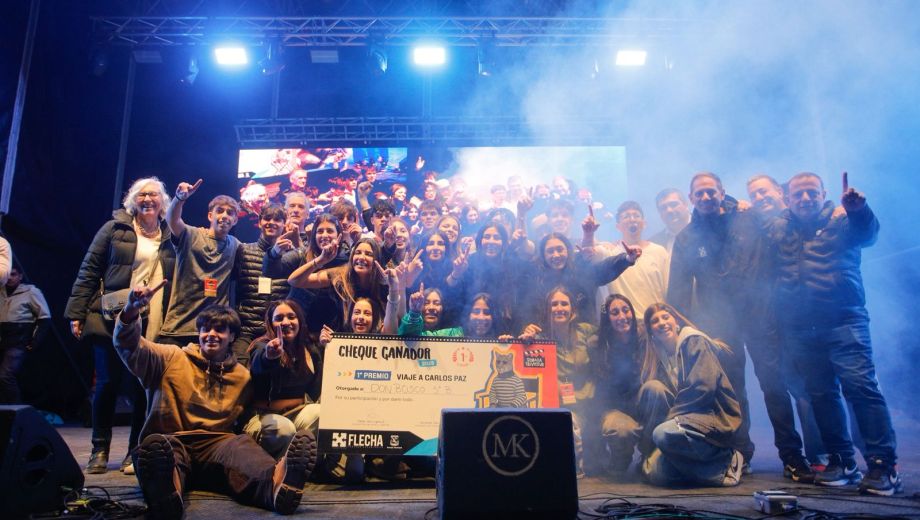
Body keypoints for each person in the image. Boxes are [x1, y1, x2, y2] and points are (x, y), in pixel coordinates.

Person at [114, 283, 316, 517]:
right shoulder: (170, 358)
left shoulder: (241, 376)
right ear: (199, 333)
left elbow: (262, 392)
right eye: (206, 329)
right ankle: (167, 494)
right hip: (172, 439)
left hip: (217, 445)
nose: (211, 334)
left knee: (242, 447)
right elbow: (129, 346)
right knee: (162, 456)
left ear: (232, 337)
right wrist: (131, 309)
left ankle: (276, 486)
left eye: (220, 330)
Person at [767, 172, 901, 496]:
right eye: (798, 194)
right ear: (787, 199)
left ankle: (883, 465)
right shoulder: (779, 228)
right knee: (821, 393)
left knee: (861, 388)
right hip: (801, 326)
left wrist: (859, 210)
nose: (805, 199)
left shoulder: (841, 219)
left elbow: (868, 235)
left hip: (844, 320)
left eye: (811, 192)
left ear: (823, 193)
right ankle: (842, 460)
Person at [64, 177, 176, 475]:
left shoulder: (169, 234)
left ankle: (134, 451)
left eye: (154, 195)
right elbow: (89, 269)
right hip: (112, 316)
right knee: (107, 384)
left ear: (163, 202)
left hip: (152, 319)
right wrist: (77, 313)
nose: (148, 199)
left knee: (142, 387)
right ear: (133, 200)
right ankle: (99, 449)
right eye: (142, 194)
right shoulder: (114, 228)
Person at [667, 172, 761, 469]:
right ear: (691, 198)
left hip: (758, 316)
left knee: (775, 386)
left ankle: (794, 455)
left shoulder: (746, 219)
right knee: (731, 389)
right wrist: (687, 330)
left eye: (711, 191)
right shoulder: (687, 237)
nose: (706, 197)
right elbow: (678, 290)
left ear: (722, 192)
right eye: (700, 193)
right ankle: (740, 452)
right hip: (718, 322)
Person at [744, 174, 826, 482]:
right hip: (762, 322)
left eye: (763, 191)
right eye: (754, 194)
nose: (760, 198)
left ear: (780, 192)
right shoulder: (752, 224)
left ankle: (822, 454)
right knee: (775, 391)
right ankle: (793, 456)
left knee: (809, 388)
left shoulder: (800, 219)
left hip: (798, 321)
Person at [639, 303, 743, 487]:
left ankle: (725, 462)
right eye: (655, 321)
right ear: (651, 332)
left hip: (710, 417)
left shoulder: (693, 340)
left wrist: (671, 419)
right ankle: (702, 471)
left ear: (676, 322)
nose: (661, 323)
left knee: (662, 434)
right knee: (655, 472)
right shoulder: (661, 359)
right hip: (687, 421)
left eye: (665, 317)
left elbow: (703, 388)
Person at [158, 179, 241, 346]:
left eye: (230, 213)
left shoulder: (235, 245)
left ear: (235, 220)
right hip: (180, 327)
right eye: (220, 211)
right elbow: (172, 219)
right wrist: (179, 198)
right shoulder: (191, 235)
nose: (225, 216)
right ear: (210, 216)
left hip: (213, 331)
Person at [245, 300, 322, 458]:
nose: (286, 322)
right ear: (270, 323)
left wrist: (327, 349)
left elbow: (315, 391)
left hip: (296, 414)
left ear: (299, 321)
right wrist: (269, 356)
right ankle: (281, 467)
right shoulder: (262, 346)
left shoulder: (310, 349)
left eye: (291, 317)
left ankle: (295, 461)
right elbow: (259, 364)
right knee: (285, 429)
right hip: (264, 417)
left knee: (319, 412)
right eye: (279, 318)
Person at [591, 294, 645, 474]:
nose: (622, 316)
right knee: (621, 430)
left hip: (643, 405)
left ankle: (648, 457)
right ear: (607, 319)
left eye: (625, 310)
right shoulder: (597, 345)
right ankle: (620, 461)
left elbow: (670, 327)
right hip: (615, 408)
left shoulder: (645, 337)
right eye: (614, 313)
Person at [233, 204, 289, 365]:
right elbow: (233, 289)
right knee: (240, 372)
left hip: (276, 331)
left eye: (277, 219)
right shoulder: (243, 250)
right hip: (246, 331)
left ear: (284, 224)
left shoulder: (291, 255)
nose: (271, 223)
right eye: (267, 218)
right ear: (259, 222)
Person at [596, 201, 669, 317]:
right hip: (624, 322)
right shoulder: (610, 252)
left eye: (636, 216)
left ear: (644, 223)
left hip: (655, 320)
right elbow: (588, 254)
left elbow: (668, 290)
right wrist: (589, 233)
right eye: (626, 217)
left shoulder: (659, 252)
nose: (632, 219)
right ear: (618, 226)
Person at [0, 266, 51, 404]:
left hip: (18, 340)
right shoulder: (1, 291)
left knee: (5, 376)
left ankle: (16, 410)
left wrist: (34, 341)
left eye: (13, 274)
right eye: (7, 275)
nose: (9, 278)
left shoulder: (31, 292)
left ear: (20, 276)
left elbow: (45, 318)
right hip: (3, 338)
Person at [649, 188, 691, 253]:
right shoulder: (654, 243)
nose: (669, 210)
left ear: (686, 204)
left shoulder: (705, 228)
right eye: (663, 208)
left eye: (673, 204)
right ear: (659, 213)